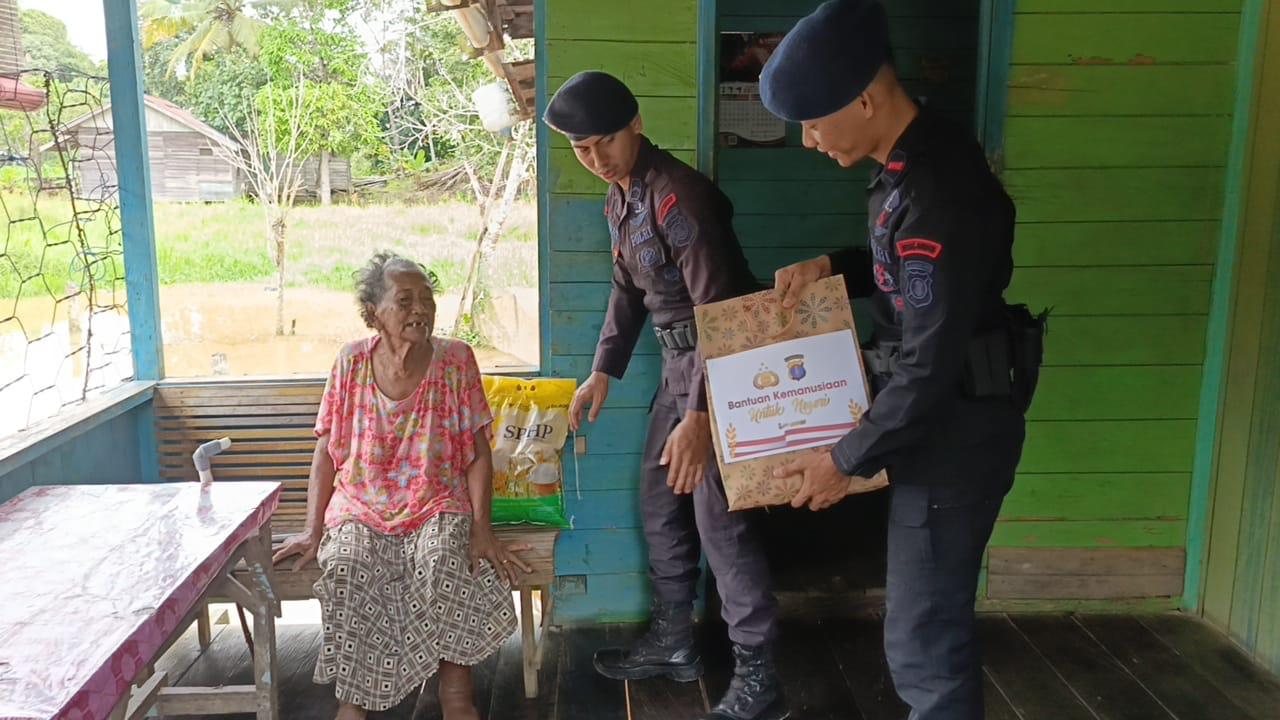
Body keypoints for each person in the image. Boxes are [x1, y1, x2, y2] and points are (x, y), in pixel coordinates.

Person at [758, 2, 1034, 719]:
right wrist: (833, 267)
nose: (812, 142)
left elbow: (929, 365)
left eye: (816, 123)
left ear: (866, 99)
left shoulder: (936, 189)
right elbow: (913, 280)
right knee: (924, 627)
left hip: (954, 437)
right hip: (943, 428)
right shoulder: (914, 158)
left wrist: (842, 458)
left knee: (924, 643)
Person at [543, 70, 788, 720]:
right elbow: (628, 292)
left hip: (722, 368)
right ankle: (676, 644)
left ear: (636, 125)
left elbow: (719, 310)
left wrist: (704, 415)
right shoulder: (622, 200)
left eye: (601, 143)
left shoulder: (681, 198)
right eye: (580, 149)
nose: (593, 159)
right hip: (679, 370)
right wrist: (603, 372)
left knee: (721, 524)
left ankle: (762, 676)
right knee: (659, 502)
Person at [273, 251, 532, 720]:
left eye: (427, 299)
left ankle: (456, 692)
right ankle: (354, 699)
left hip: (436, 502)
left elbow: (477, 451)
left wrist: (482, 526)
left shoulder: (456, 360)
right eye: (405, 300)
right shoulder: (350, 362)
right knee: (348, 568)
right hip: (360, 506)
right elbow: (325, 453)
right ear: (375, 314)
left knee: (445, 563)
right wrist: (313, 530)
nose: (421, 310)